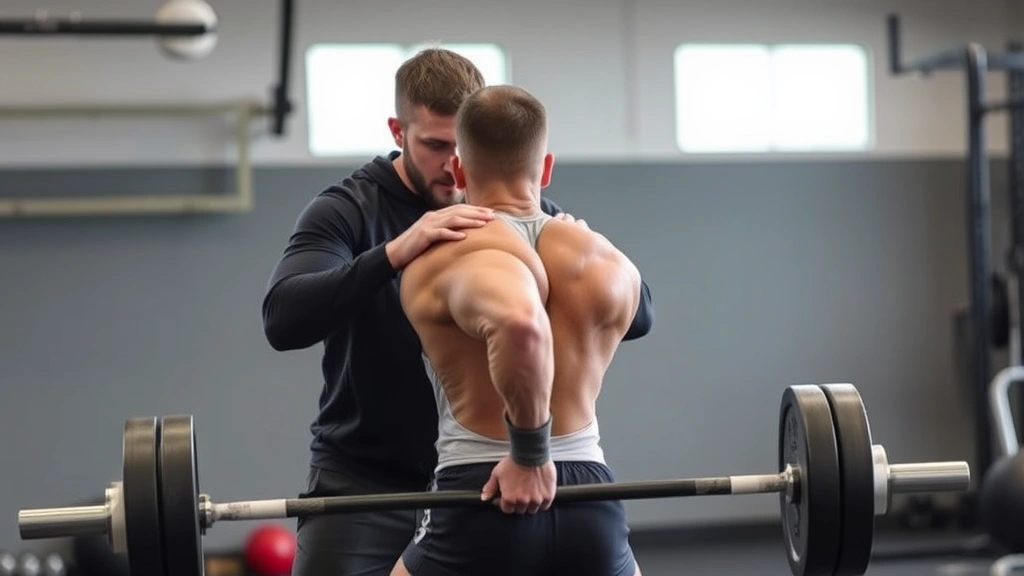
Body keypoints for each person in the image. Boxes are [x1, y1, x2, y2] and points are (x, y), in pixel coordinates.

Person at [262, 48, 654, 576]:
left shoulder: (535, 220)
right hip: (373, 478)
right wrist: (392, 254)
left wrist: (589, 247)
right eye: (434, 145)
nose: (450, 164)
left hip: (493, 473)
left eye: (459, 146)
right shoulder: (349, 209)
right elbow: (284, 320)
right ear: (397, 131)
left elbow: (638, 313)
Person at [391, 84, 643, 576]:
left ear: (459, 169)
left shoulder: (451, 251)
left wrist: (530, 456)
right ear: (546, 168)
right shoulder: (607, 260)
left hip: (487, 489)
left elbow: (521, 326)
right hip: (593, 497)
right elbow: (641, 315)